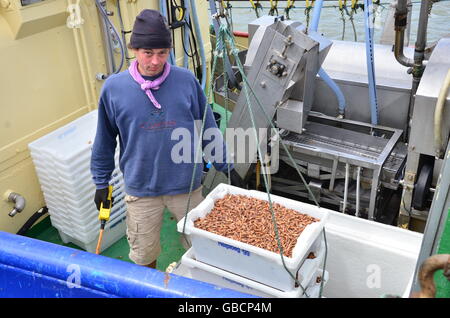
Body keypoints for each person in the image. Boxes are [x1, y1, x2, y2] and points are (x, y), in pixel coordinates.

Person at [90, 9, 244, 269]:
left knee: (202, 250)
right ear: (134, 50)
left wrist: (226, 166)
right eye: (147, 53)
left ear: (169, 50)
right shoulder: (114, 89)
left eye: (162, 53)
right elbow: (104, 140)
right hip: (140, 189)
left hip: (187, 185)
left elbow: (207, 128)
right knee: (143, 255)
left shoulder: (186, 81)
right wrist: (101, 182)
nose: (154, 61)